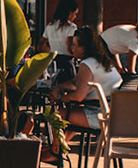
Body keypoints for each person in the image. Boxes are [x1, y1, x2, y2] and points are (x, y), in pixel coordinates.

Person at [45, 26, 122, 157]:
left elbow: (79, 96)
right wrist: (60, 87)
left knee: (58, 115)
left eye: (74, 45)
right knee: (73, 111)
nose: (72, 48)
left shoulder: (87, 64)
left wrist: (59, 99)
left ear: (84, 48)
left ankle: (55, 152)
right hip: (114, 114)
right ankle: (59, 149)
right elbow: (76, 82)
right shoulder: (102, 62)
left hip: (101, 116)